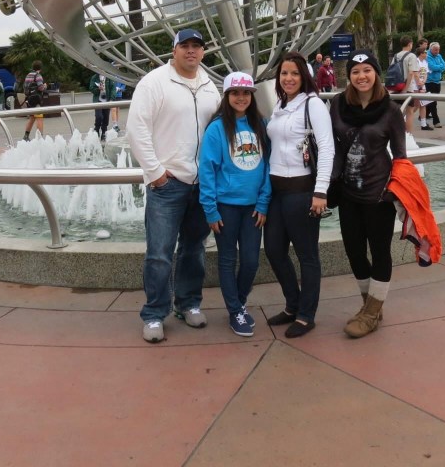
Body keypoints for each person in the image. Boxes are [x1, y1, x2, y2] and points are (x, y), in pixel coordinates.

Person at [127, 28, 221, 344]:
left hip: (202, 184)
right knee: (159, 254)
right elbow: (136, 129)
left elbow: (218, 130)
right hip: (167, 185)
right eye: (185, 46)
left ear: (203, 52)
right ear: (174, 50)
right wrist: (155, 172)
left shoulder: (210, 86)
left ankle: (188, 303)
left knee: (194, 250)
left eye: (197, 46)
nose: (191, 51)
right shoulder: (154, 83)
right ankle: (154, 314)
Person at [329, 50, 407, 338]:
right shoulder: (338, 104)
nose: (361, 76)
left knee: (380, 252)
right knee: (354, 253)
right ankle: (370, 305)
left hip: (378, 195)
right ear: (349, 76)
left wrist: (393, 193)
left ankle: (371, 313)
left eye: (367, 70)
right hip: (348, 193)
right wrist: (329, 183)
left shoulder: (390, 110)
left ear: (376, 73)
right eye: (355, 71)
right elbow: (334, 147)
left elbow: (400, 156)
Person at [265, 51, 334, 338]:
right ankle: (292, 304)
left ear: (304, 75)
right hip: (276, 192)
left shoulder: (313, 104)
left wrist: (320, 191)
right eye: (284, 73)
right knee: (273, 250)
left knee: (307, 255)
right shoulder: (280, 104)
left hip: (302, 190)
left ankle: (306, 314)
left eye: (294, 73)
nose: (289, 78)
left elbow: (327, 148)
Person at [199, 72, 271, 337]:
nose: (241, 98)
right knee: (227, 260)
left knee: (251, 261)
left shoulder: (261, 125)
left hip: (253, 208)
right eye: (235, 93)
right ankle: (236, 311)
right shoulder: (217, 128)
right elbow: (207, 169)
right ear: (227, 96)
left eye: (246, 93)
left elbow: (268, 166)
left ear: (252, 96)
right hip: (226, 207)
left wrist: (263, 202)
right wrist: (210, 209)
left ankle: (237, 304)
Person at [21, 60, 47, 141]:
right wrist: (45, 86)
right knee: (39, 118)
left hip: (29, 99)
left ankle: (26, 136)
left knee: (32, 117)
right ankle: (40, 138)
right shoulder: (38, 75)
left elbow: (25, 88)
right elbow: (41, 88)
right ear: (40, 68)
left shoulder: (28, 75)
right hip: (36, 100)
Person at [424, 41, 445, 128]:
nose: (437, 51)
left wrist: (439, 67)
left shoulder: (439, 56)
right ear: (431, 49)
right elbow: (432, 67)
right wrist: (439, 67)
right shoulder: (427, 56)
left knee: (432, 101)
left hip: (437, 81)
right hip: (429, 82)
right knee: (433, 102)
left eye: (438, 50)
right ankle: (436, 121)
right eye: (435, 50)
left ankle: (424, 115)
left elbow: (444, 66)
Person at [89, 70, 112, 140]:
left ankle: (104, 132)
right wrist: (98, 89)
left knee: (106, 117)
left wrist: (112, 98)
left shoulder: (109, 77)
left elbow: (113, 88)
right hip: (98, 101)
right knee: (99, 116)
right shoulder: (94, 77)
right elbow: (91, 88)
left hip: (107, 101)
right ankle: (97, 129)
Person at [414, 38, 432, 130]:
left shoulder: (425, 62)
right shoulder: (416, 61)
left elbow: (425, 73)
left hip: (422, 85)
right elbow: (414, 73)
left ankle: (423, 124)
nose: (427, 54)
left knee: (423, 104)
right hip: (415, 86)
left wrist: (423, 82)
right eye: (425, 53)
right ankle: (403, 118)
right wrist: (419, 83)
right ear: (421, 54)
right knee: (415, 105)